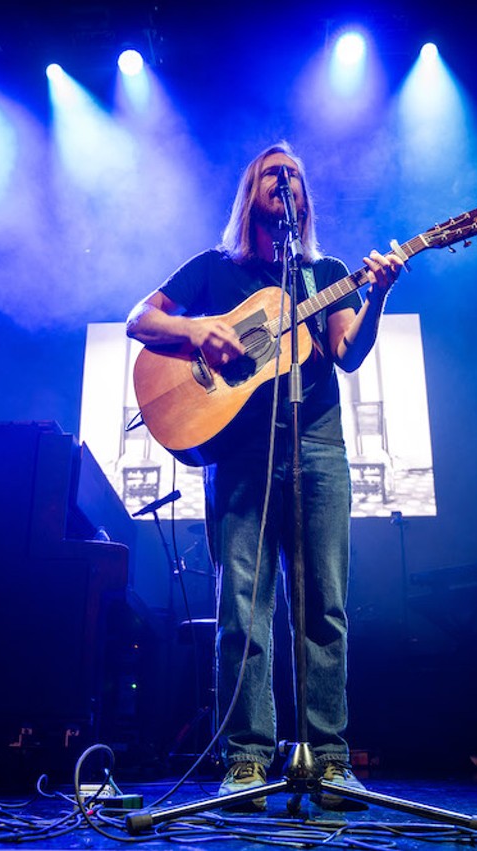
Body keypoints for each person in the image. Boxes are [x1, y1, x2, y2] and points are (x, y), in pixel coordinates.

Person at [125, 142, 402, 812]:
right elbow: (141, 319)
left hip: (318, 449)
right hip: (240, 454)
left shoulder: (324, 274)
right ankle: (247, 760)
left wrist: (382, 290)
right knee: (243, 608)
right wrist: (201, 334)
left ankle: (328, 759)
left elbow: (347, 351)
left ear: (304, 200)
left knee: (324, 607)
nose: (286, 181)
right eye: (272, 173)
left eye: (297, 176)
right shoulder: (214, 271)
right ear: (251, 193)